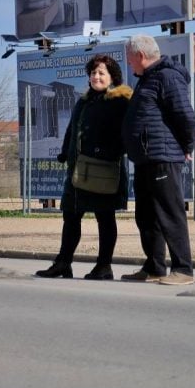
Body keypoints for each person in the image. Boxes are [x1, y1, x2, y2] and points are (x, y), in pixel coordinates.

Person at [36, 54, 131, 280]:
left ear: (112, 77)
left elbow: (126, 134)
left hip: (104, 170)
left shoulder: (120, 101)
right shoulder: (84, 100)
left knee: (105, 218)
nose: (96, 77)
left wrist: (105, 152)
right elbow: (72, 129)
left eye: (101, 73)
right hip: (78, 170)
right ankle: (63, 263)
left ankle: (104, 266)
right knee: (70, 215)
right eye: (93, 73)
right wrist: (65, 152)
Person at [121, 34, 195, 285]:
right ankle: (154, 267)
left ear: (140, 56)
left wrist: (188, 146)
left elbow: (185, 115)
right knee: (146, 216)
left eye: (129, 59)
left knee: (169, 213)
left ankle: (183, 269)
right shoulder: (148, 79)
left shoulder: (167, 76)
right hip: (145, 159)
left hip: (163, 157)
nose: (129, 64)